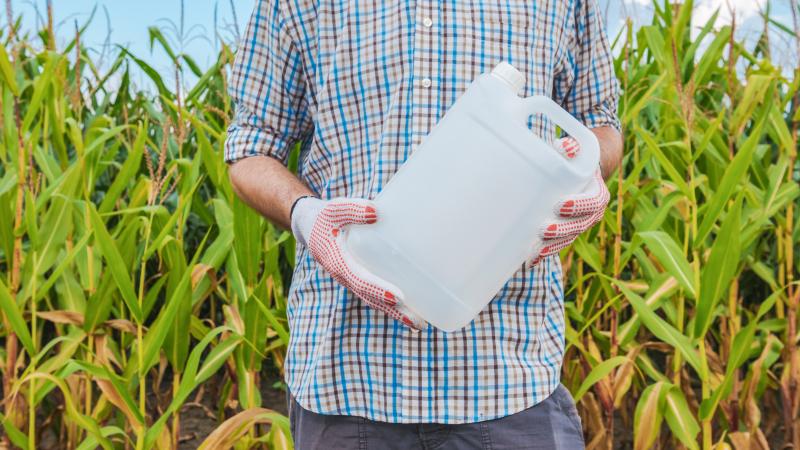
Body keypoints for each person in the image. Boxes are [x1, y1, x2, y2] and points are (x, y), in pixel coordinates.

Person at [225, 0, 622, 448]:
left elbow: (600, 126)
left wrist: (588, 175)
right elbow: (250, 147)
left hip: (508, 374)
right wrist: (306, 214)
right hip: (346, 374)